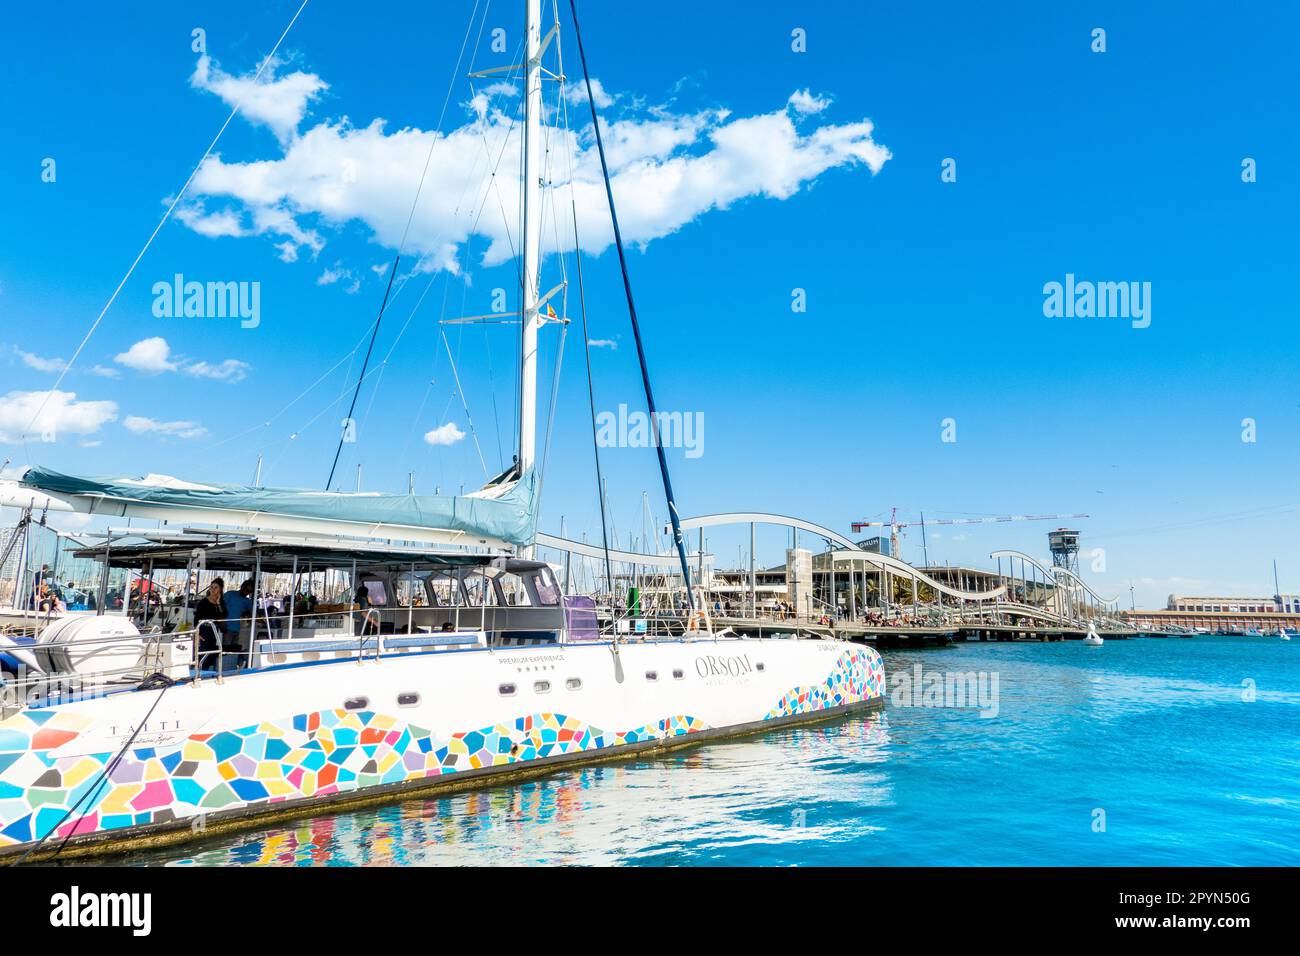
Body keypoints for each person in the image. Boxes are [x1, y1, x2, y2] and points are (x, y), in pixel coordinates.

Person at [194, 581, 227, 671]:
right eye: (211, 587)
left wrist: (218, 602)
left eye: (216, 587)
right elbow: (196, 618)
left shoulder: (220, 603)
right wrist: (197, 633)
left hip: (214, 630)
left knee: (211, 654)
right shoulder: (203, 602)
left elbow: (223, 614)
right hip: (203, 629)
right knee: (201, 654)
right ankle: (199, 673)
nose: (213, 589)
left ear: (220, 589)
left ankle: (207, 672)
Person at [223, 581, 254, 665]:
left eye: (249, 591)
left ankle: (231, 666)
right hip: (226, 627)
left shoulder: (247, 601)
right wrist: (221, 622)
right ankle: (224, 666)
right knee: (225, 650)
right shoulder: (230, 594)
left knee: (234, 651)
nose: (247, 592)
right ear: (242, 587)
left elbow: (252, 613)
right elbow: (219, 606)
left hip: (237, 629)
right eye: (247, 590)